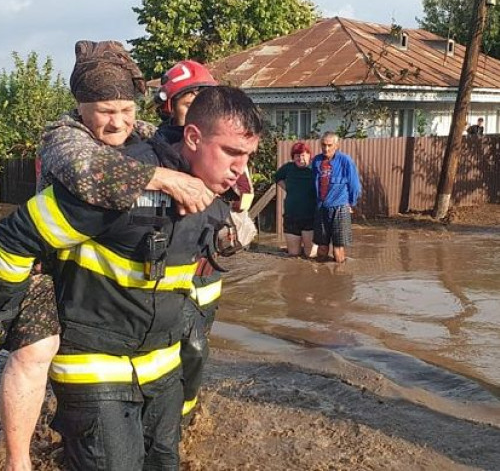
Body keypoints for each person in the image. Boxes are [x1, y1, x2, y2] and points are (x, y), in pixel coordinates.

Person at [0, 41, 262, 470]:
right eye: (232, 155)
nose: (240, 169)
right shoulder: (88, 161)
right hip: (90, 352)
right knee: (32, 355)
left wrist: (226, 232)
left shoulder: (200, 177)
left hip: (159, 362)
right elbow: (18, 235)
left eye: (126, 109)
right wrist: (6, 307)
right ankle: (18, 458)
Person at [154, 61, 255, 423]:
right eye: (187, 101)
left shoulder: (227, 153)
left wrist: (237, 225)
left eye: (203, 98)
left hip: (204, 272)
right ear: (170, 107)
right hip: (165, 271)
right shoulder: (155, 154)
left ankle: (185, 411)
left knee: (196, 348)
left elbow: (240, 197)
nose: (196, 106)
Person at [311, 132, 361, 263]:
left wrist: (351, 203)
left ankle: (339, 278)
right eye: (323, 145)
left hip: (340, 208)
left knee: (338, 249)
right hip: (321, 208)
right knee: (321, 248)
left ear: (336, 145)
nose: (326, 148)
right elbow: (314, 184)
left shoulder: (345, 161)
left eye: (329, 145)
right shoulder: (316, 161)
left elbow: (354, 185)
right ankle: (321, 277)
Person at [274, 141, 316, 257]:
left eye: (303, 155)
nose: (300, 158)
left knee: (310, 255)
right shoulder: (288, 168)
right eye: (297, 155)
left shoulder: (315, 168)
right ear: (293, 157)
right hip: (291, 216)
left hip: (311, 217)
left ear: (309, 155)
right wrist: (288, 188)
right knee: (293, 255)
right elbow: (277, 177)